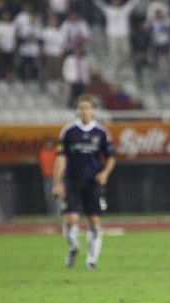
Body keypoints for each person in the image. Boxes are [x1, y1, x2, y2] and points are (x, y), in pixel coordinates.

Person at [52, 94, 116, 270]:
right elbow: (61, 158)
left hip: (93, 182)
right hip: (72, 181)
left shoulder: (101, 132)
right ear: (77, 111)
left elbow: (111, 158)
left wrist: (105, 173)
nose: (84, 111)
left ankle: (92, 260)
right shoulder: (69, 132)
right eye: (81, 108)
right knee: (71, 219)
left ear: (93, 110)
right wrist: (57, 183)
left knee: (94, 221)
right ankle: (74, 247)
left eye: (87, 107)